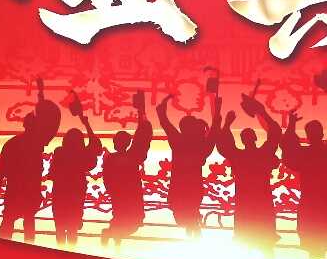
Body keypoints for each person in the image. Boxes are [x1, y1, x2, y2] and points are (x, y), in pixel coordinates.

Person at [280, 70, 327, 259]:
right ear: (321, 134)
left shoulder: (307, 155)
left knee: (317, 255)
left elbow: (288, 149)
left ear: (307, 136)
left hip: (314, 206)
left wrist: (291, 126)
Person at [215, 91, 282, 256]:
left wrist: (227, 124)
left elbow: (223, 146)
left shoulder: (238, 157)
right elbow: (275, 133)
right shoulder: (264, 153)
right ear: (255, 138)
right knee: (267, 247)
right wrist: (262, 112)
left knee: (247, 245)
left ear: (242, 140)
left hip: (245, 204)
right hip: (262, 202)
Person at [0, 79, 61, 243]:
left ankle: (1, 249)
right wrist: (41, 93)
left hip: (15, 188)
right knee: (28, 222)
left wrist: (41, 93)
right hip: (29, 189)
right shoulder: (37, 142)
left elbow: (4, 168)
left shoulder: (13, 143)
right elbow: (46, 119)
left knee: (8, 221)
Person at [157, 87, 220, 239]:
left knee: (187, 214)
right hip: (193, 189)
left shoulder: (178, 141)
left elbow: (163, 120)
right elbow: (215, 129)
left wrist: (164, 102)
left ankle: (193, 227)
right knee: (189, 212)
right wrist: (217, 110)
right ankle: (193, 228)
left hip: (179, 189)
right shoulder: (201, 146)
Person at [99, 91, 153, 247]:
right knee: (130, 221)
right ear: (128, 143)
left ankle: (112, 240)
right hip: (131, 195)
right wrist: (141, 111)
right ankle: (111, 238)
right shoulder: (132, 156)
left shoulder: (111, 158)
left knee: (120, 219)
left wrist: (112, 191)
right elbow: (143, 135)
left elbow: (106, 179)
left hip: (119, 195)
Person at [48, 97, 101, 247]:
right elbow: (96, 147)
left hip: (60, 193)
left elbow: (52, 172)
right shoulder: (82, 154)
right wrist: (87, 125)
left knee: (60, 228)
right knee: (72, 229)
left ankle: (59, 254)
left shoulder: (60, 152)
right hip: (76, 193)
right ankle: (71, 254)